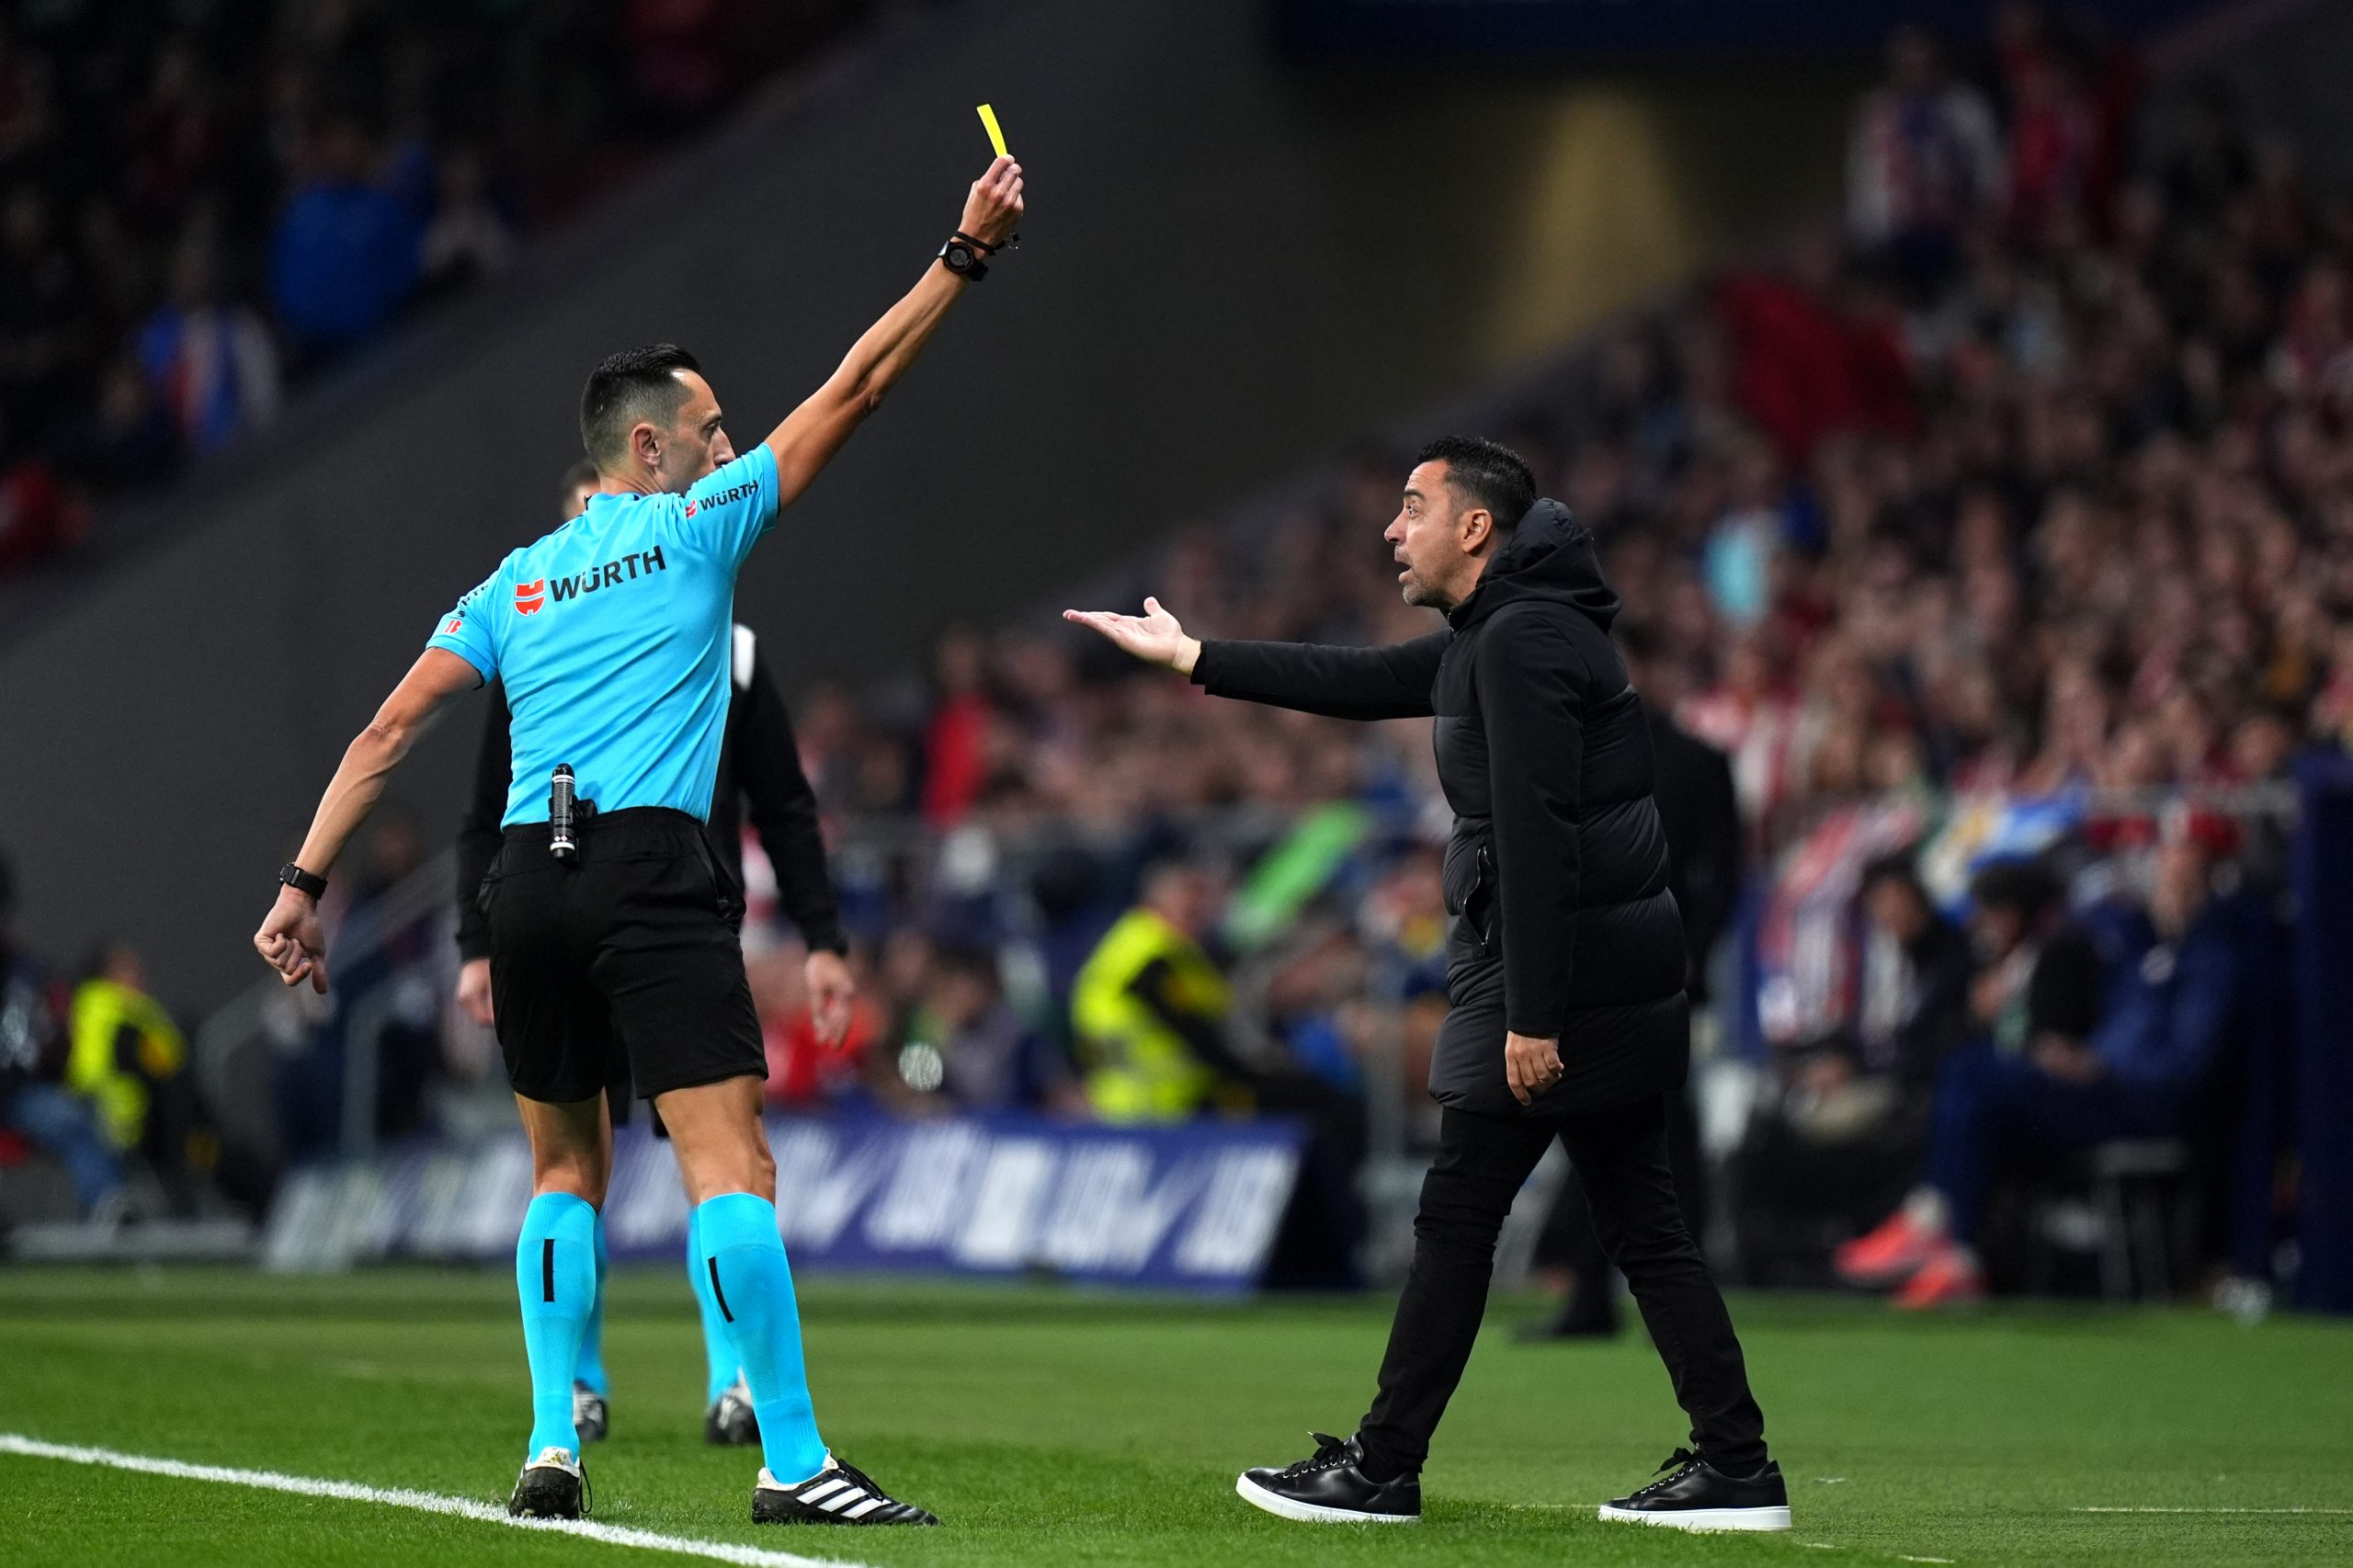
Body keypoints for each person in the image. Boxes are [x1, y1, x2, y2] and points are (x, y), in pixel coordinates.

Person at [251, 152, 1024, 1525]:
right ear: (650, 448)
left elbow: (385, 734)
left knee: (562, 1173)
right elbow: (856, 385)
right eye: (713, 426)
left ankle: (553, 1443)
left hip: (521, 886)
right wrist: (961, 254)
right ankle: (792, 1458)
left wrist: (304, 883)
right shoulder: (694, 533)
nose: (732, 446)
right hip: (654, 871)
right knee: (728, 1165)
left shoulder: (511, 581)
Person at [1066, 436, 1787, 1531]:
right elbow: (1358, 681)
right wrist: (1195, 654)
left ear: (1476, 528)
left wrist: (1534, 1014)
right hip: (1602, 974)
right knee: (1639, 1221)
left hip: (1562, 984)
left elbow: (1543, 835)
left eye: (1413, 508)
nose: (1391, 529)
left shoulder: (1520, 640)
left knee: (1461, 1210)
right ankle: (1735, 1465)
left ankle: (1383, 1464)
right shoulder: (1511, 632)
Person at [452, 458, 857, 1451]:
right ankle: (631, 1392)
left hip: (612, 912)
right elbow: (481, 811)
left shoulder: (713, 645)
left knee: (589, 1166)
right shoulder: (541, 638)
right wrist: (472, 943)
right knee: (704, 1160)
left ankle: (677, 1392)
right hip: (665, 912)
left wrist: (822, 936)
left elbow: (786, 804)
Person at [1838, 835, 2240, 1308]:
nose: (2170, 897)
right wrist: (2081, 1054)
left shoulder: (2210, 964)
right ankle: (1948, 1241)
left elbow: (2184, 1063)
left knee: (1981, 1074)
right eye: (2165, 884)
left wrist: (2097, 1062)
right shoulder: (2145, 957)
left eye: (2182, 885)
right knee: (1971, 1073)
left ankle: (1942, 1233)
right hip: (2104, 1084)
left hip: (2137, 1103)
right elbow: (2112, 1029)